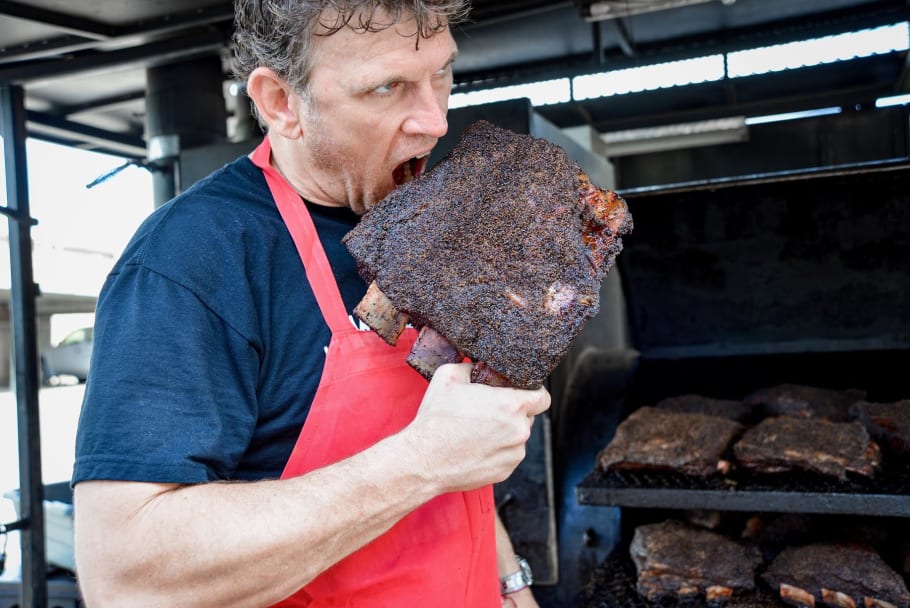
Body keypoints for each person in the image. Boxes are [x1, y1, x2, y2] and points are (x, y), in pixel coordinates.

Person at [71, 1, 551, 607]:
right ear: (279, 102)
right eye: (387, 87)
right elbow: (126, 580)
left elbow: (455, 450)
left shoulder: (422, 219)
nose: (432, 121)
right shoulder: (194, 257)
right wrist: (419, 462)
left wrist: (510, 586)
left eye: (442, 75)